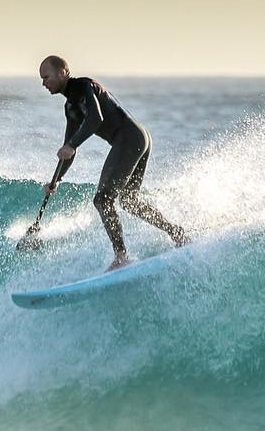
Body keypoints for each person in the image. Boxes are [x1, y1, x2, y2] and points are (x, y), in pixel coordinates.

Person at [39, 54, 188, 270]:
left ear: (62, 72)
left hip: (130, 137)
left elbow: (95, 119)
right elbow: (69, 149)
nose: (44, 83)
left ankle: (121, 256)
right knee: (128, 201)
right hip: (136, 138)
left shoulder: (84, 86)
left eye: (46, 77)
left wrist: (71, 144)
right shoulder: (70, 107)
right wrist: (57, 180)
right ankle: (177, 233)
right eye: (42, 79)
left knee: (102, 199)